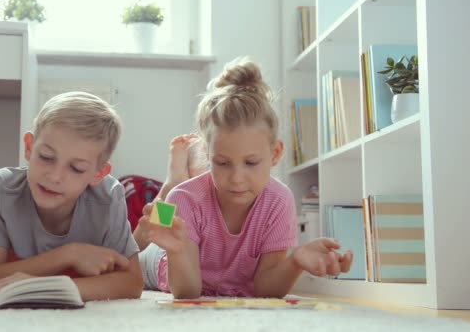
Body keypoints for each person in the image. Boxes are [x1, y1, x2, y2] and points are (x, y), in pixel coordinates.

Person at [134, 57, 353, 299]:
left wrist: (296, 261)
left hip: (227, 275)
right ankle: (174, 178)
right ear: (208, 154)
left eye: (251, 163)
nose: (237, 179)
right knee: (133, 257)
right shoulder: (186, 198)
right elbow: (187, 292)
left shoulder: (279, 200)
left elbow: (265, 290)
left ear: (275, 153)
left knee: (173, 203)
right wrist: (177, 250)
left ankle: (179, 177)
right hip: (163, 262)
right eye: (222, 163)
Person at [0, 92, 143, 301]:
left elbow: (132, 283)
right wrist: (69, 254)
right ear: (30, 147)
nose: (55, 176)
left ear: (98, 174)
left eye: (76, 168)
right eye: (47, 157)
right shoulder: (1, 188)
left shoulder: (108, 197)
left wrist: (43, 286)